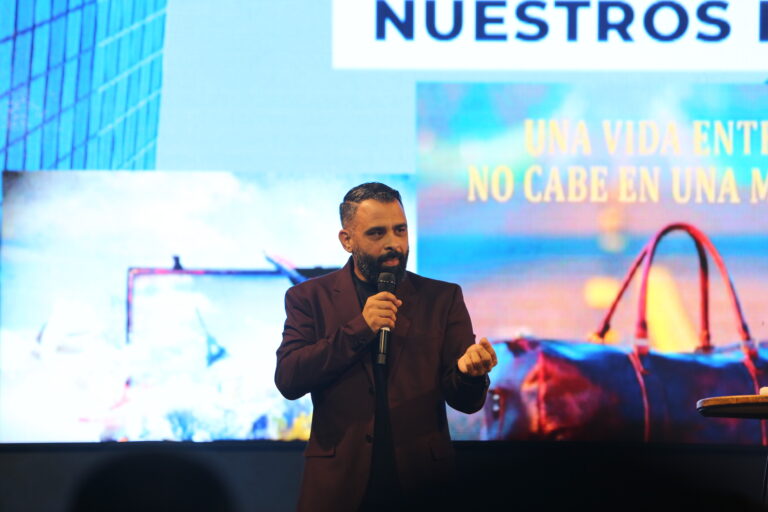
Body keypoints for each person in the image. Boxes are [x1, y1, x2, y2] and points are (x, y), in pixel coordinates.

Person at [275, 182, 497, 511]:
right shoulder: (309, 297)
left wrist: (469, 374)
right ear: (347, 240)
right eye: (377, 233)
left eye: (400, 230)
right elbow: (290, 379)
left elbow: (466, 402)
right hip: (338, 486)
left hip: (423, 483)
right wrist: (359, 328)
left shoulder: (442, 298)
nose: (394, 243)